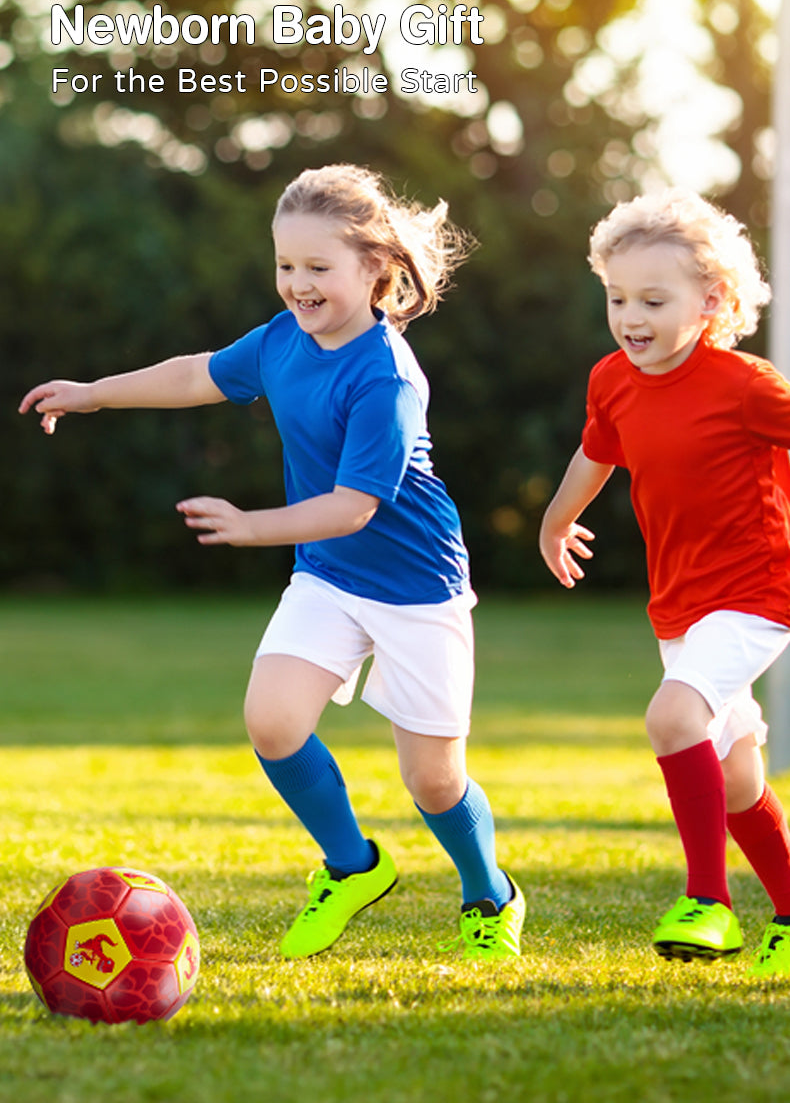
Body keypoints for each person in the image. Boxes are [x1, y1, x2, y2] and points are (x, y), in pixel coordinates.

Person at [19, 163, 524, 961]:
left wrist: (254, 526)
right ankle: (353, 866)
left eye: (318, 267)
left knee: (432, 782)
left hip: (416, 588)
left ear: (376, 269)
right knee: (274, 721)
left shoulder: (386, 377)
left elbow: (356, 505)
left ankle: (488, 894)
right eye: (286, 265)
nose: (298, 284)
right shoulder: (284, 341)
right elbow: (198, 372)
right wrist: (94, 392)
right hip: (329, 574)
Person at [539, 187, 790, 975]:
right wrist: (553, 520)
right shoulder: (612, 379)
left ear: (710, 300)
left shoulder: (746, 386)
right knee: (738, 773)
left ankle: (708, 903)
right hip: (678, 606)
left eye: (653, 298)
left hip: (758, 594)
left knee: (672, 718)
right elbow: (598, 452)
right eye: (617, 298)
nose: (630, 315)